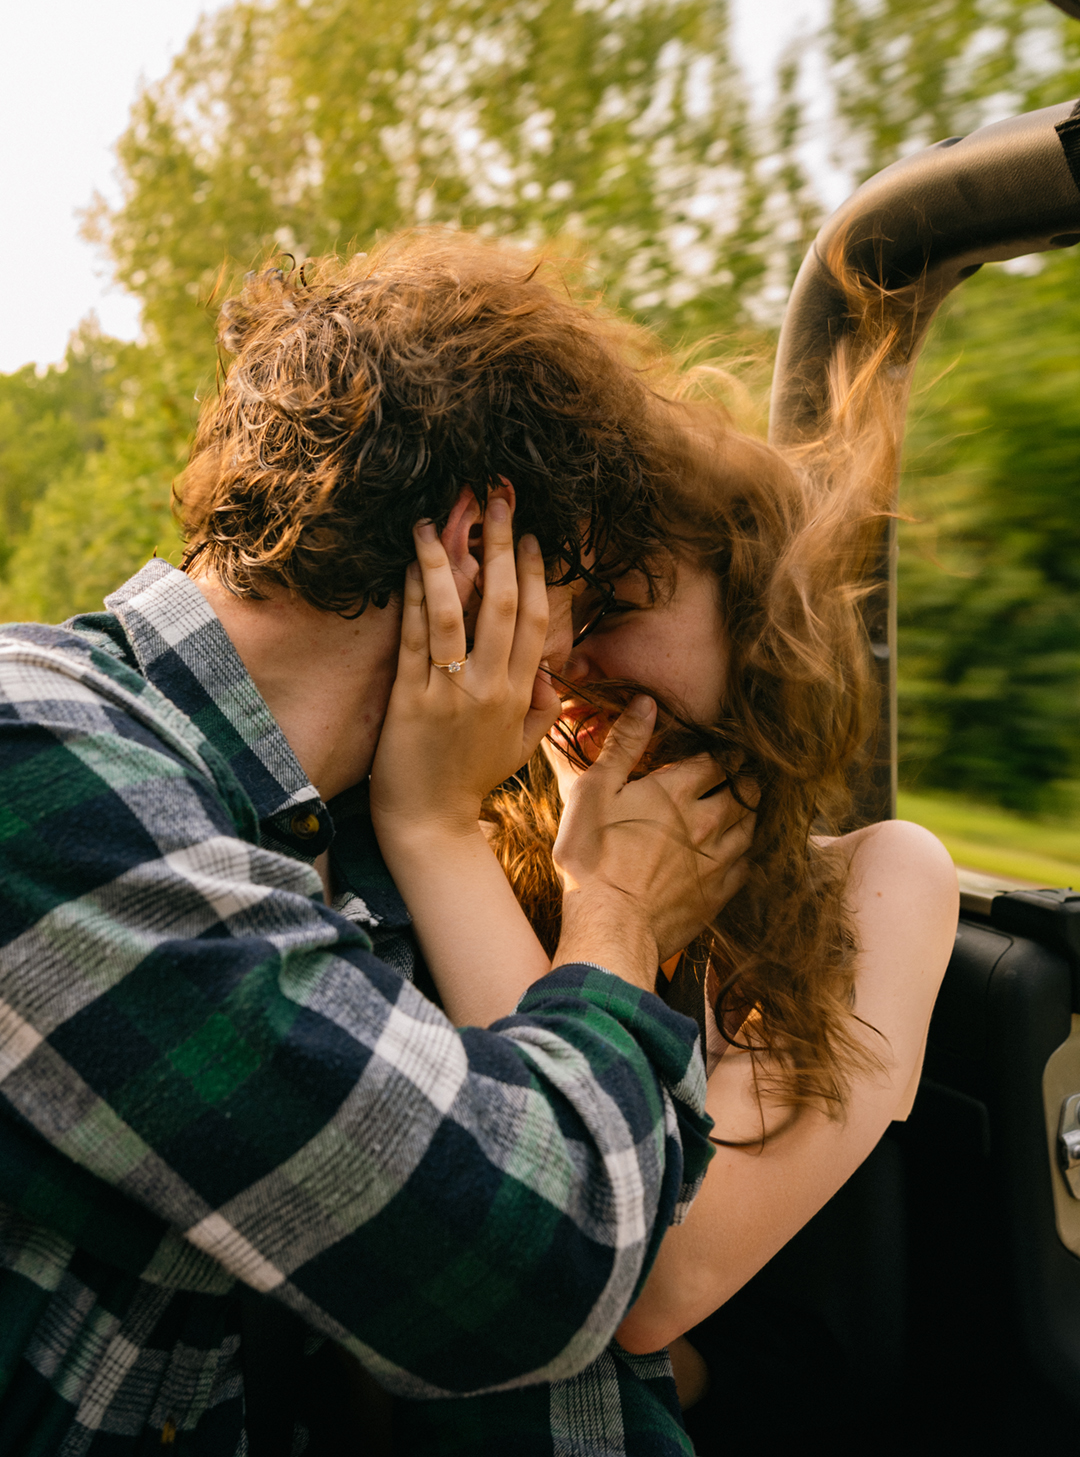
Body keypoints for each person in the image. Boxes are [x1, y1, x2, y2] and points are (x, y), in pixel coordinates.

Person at [0, 233, 748, 1454]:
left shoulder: (307, 830)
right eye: (581, 598)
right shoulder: (40, 756)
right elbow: (533, 1267)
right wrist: (615, 917)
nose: (570, 665)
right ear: (475, 553)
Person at [380, 355, 957, 1450]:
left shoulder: (884, 877)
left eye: (619, 604)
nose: (566, 659)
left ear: (760, 616)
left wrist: (602, 901)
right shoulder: (492, 826)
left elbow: (636, 1271)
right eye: (555, 608)